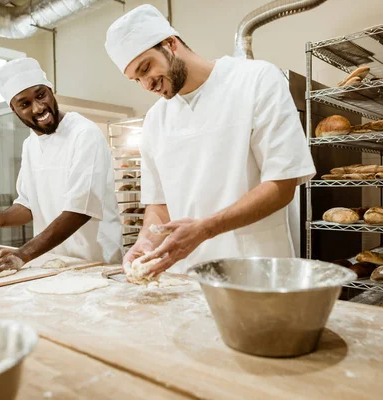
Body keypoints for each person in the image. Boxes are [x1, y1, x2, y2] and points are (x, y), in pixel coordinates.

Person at [105, 5, 316, 276]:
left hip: (255, 270)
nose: (147, 85)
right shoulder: (156, 120)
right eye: (137, 79)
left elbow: (282, 184)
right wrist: (146, 240)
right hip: (184, 276)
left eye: (146, 68)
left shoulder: (256, 80)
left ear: (170, 44)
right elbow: (159, 205)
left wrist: (205, 229)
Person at [0, 58, 122, 278]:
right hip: (52, 262)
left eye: (40, 95)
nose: (38, 108)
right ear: (14, 109)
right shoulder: (30, 145)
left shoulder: (84, 133)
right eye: (25, 104)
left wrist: (23, 254)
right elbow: (28, 205)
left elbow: (80, 209)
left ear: (50, 90)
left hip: (95, 262)